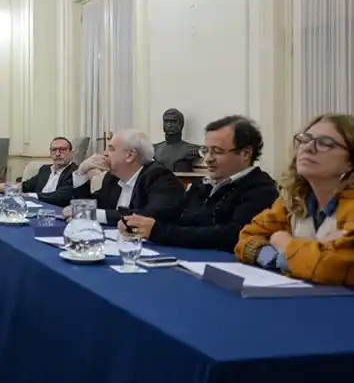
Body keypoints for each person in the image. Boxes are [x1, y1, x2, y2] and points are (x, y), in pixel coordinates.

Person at [120, 116, 278, 249]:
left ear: (245, 154)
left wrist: (158, 231)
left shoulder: (261, 189)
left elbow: (231, 236)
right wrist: (137, 222)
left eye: (217, 151)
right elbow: (175, 215)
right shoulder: (203, 186)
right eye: (206, 150)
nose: (208, 159)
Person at [235, 113, 354, 285]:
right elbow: (247, 238)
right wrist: (284, 257)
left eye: (325, 143)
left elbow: (334, 265)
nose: (308, 148)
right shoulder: (294, 199)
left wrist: (284, 243)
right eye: (305, 139)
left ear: (350, 162)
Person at [66, 129, 184, 226]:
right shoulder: (112, 178)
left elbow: (148, 215)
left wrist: (92, 214)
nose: (105, 153)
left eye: (111, 149)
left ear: (130, 155)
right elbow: (93, 205)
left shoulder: (159, 177)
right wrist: (81, 172)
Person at [0, 137, 77, 207]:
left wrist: (31, 195)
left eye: (62, 150)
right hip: (37, 206)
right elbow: (27, 186)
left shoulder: (75, 172)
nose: (57, 154)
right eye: (54, 150)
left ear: (71, 153)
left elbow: (60, 196)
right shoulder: (45, 169)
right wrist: (9, 187)